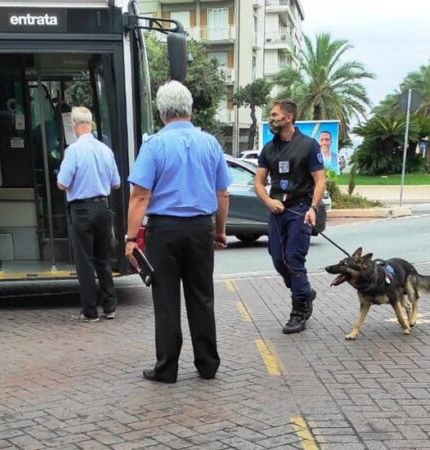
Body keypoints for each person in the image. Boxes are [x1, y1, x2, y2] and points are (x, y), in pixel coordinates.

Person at [125, 81, 231, 383]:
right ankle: (208, 364)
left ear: (161, 113)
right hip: (200, 228)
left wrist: (131, 239)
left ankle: (167, 367)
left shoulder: (154, 145)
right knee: (202, 296)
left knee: (166, 299)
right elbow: (222, 193)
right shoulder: (210, 143)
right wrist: (219, 231)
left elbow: (140, 196)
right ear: (190, 109)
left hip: (164, 231)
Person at [254, 99, 326, 334]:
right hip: (277, 212)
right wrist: (268, 201)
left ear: (289, 118)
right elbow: (258, 181)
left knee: (294, 259)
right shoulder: (269, 149)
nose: (271, 119)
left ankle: (299, 311)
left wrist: (313, 208)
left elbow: (320, 180)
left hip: (300, 210)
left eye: (274, 115)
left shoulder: (309, 146)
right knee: (277, 258)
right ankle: (303, 290)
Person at [57, 106, 121, 322]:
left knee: (85, 261)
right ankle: (110, 307)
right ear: (91, 124)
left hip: (81, 209)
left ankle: (90, 311)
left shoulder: (73, 151)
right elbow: (116, 183)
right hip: (103, 207)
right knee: (103, 259)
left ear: (74, 126)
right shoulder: (105, 150)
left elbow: (62, 183)